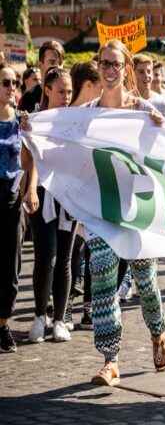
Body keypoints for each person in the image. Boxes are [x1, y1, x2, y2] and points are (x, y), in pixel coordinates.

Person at [72, 40, 165, 386]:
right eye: (104, 64)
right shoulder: (88, 112)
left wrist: (161, 127)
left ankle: (158, 332)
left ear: (126, 69)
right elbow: (60, 137)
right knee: (102, 280)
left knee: (145, 280)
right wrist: (30, 127)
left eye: (116, 64)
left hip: (138, 209)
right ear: (98, 69)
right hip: (101, 210)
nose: (110, 70)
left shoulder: (144, 109)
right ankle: (110, 359)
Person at [27, 67, 75, 343]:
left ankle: (59, 319)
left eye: (69, 91)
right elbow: (31, 158)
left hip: (69, 195)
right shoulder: (36, 120)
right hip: (43, 194)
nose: (66, 96)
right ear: (47, 90)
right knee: (45, 256)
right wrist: (31, 189)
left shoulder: (76, 119)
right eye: (61, 91)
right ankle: (38, 316)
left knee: (65, 260)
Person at [0, 62, 40, 353]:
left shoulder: (21, 121)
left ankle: (3, 324)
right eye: (5, 83)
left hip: (13, 198)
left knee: (12, 266)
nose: (11, 88)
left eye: (14, 83)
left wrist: (31, 189)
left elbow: (31, 159)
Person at [18, 41, 64, 113]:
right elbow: (19, 122)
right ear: (40, 65)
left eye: (60, 63)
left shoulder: (69, 96)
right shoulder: (29, 96)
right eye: (52, 62)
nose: (57, 67)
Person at [132, 56, 165, 121]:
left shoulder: (162, 103)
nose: (146, 75)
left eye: (149, 71)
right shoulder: (124, 101)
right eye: (141, 72)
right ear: (132, 74)